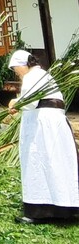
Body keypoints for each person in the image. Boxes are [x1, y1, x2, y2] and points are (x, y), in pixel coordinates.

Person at [8, 49, 79, 224]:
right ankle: (63, 207)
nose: (16, 73)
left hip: (43, 126)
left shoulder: (31, 77)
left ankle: (39, 211)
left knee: (38, 161)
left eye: (16, 69)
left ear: (23, 65)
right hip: (53, 123)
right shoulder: (44, 75)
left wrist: (15, 103)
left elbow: (29, 103)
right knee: (56, 162)